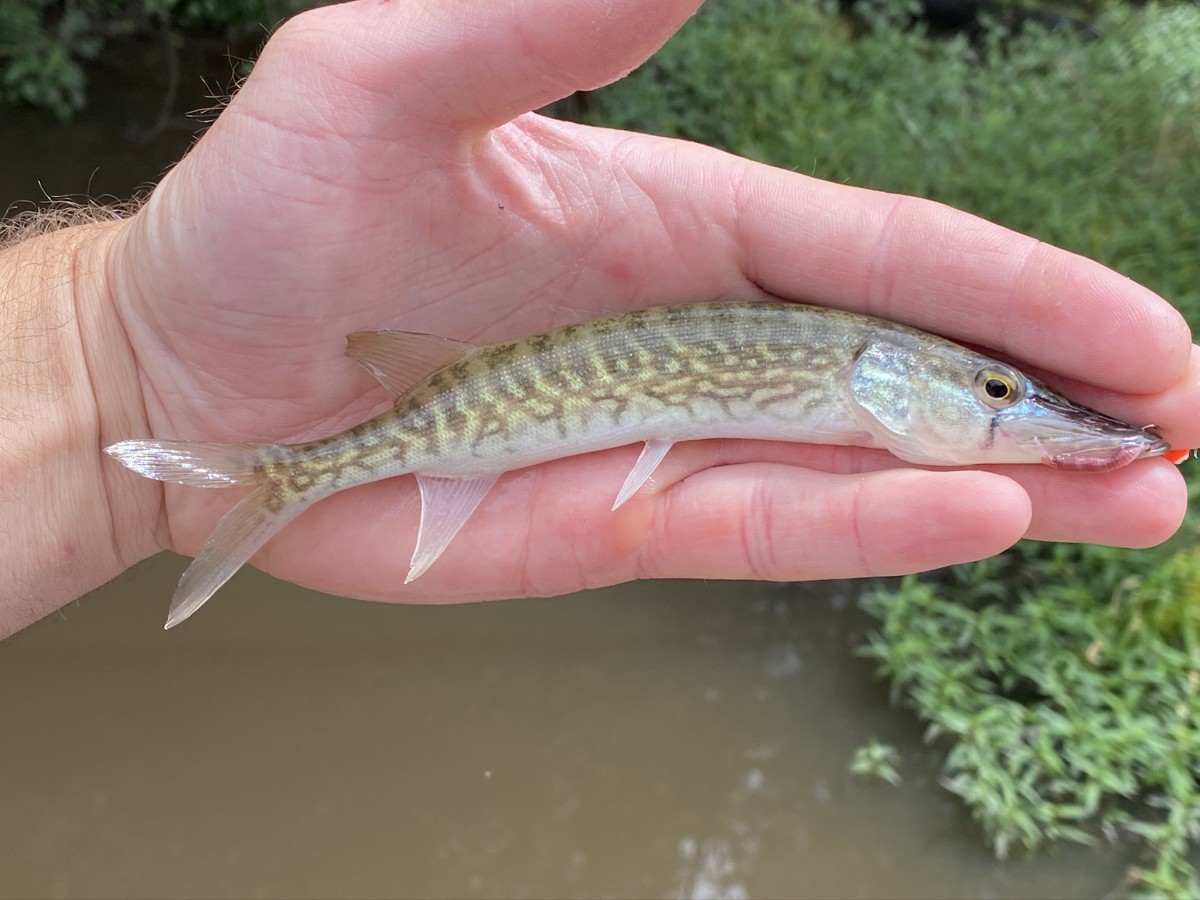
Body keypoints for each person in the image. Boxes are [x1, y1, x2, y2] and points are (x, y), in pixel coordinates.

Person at [2, 0, 1196, 639]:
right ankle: (279, 472)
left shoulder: (845, 380)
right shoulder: (847, 371)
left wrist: (114, 360)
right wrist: (117, 358)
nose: (1011, 405)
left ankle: (253, 466)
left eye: (997, 392)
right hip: (454, 407)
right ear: (882, 377)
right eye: (994, 391)